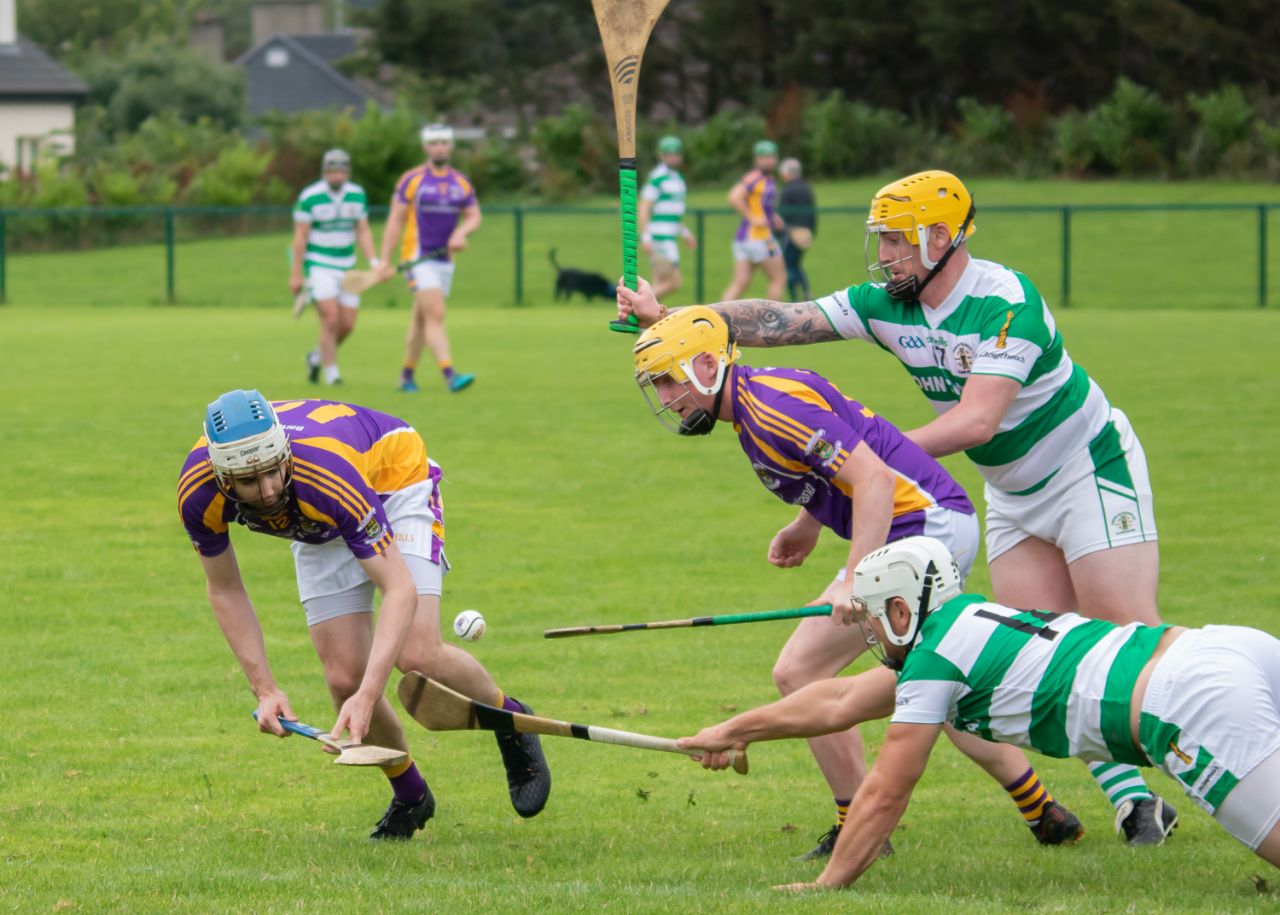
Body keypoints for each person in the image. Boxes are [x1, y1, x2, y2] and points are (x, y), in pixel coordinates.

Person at [617, 169, 1175, 846]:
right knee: (1039, 651)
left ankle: (1226, 752)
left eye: (895, 242)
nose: (883, 256)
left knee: (1129, 635)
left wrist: (862, 459)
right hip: (1008, 492)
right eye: (879, 241)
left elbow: (976, 422)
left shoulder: (1005, 301)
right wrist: (679, 324)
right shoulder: (887, 301)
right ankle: (1136, 805)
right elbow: (785, 319)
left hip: (1088, 467)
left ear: (941, 236)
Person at [632, 307, 1083, 858]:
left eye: (668, 381)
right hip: (915, 524)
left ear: (706, 365)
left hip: (925, 524)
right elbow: (840, 466)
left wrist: (856, 580)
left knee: (805, 669)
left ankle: (859, 825)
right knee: (932, 676)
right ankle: (1043, 811)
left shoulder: (771, 408)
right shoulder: (753, 402)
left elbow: (872, 479)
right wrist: (807, 525)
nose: (667, 397)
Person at [679, 536, 1280, 890]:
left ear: (900, 606)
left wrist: (827, 884)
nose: (866, 630)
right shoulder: (965, 622)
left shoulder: (936, 658)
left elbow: (887, 790)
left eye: (869, 616)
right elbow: (839, 699)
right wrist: (735, 730)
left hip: (1186, 705)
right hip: (1219, 646)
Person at [178, 389, 550, 840]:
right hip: (318, 521)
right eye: (249, 483)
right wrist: (266, 689)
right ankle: (411, 797)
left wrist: (371, 694)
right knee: (342, 679)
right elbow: (225, 587)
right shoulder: (198, 494)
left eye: (273, 472)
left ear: (283, 454)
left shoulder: (324, 474)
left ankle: (510, 721)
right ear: (223, 477)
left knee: (416, 654)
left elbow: (398, 589)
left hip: (390, 480)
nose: (268, 490)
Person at [378, 123, 481, 394]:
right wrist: (384, 261)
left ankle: (406, 376)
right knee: (436, 313)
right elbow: (395, 220)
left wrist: (461, 232)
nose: (439, 147)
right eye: (434, 143)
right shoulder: (412, 180)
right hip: (417, 258)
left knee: (422, 319)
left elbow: (474, 216)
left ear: (450, 145)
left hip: (444, 261)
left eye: (444, 142)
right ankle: (450, 375)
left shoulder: (460, 182)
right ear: (426, 147)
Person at [289, 149, 379, 386]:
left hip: (347, 266)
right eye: (332, 171)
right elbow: (300, 238)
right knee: (330, 318)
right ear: (324, 172)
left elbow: (362, 230)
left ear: (347, 173)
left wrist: (374, 263)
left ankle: (317, 357)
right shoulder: (310, 196)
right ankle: (332, 374)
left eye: (341, 171)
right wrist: (296, 273)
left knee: (347, 325)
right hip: (319, 264)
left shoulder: (357, 195)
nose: (337, 176)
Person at [722, 139, 785, 302]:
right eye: (764, 157)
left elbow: (761, 206)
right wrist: (753, 218)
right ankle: (774, 324)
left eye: (771, 156)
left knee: (740, 284)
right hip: (759, 237)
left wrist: (773, 217)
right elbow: (733, 197)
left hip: (744, 239)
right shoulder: (754, 178)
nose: (769, 160)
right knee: (779, 279)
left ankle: (716, 321)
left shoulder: (768, 180)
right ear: (757, 160)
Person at [638, 135, 697, 299]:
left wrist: (685, 233)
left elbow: (674, 213)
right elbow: (644, 208)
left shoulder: (678, 179)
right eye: (669, 154)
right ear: (662, 155)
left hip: (669, 236)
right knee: (673, 282)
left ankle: (650, 321)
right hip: (659, 237)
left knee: (659, 283)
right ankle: (636, 308)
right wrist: (646, 237)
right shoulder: (657, 178)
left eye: (676, 154)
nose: (673, 157)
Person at [777, 157, 816, 300]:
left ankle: (794, 297)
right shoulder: (806, 187)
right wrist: (812, 231)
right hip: (806, 232)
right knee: (796, 264)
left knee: (788, 266)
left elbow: (782, 214)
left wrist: (779, 233)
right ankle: (806, 292)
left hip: (791, 233)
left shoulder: (787, 190)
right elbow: (813, 212)